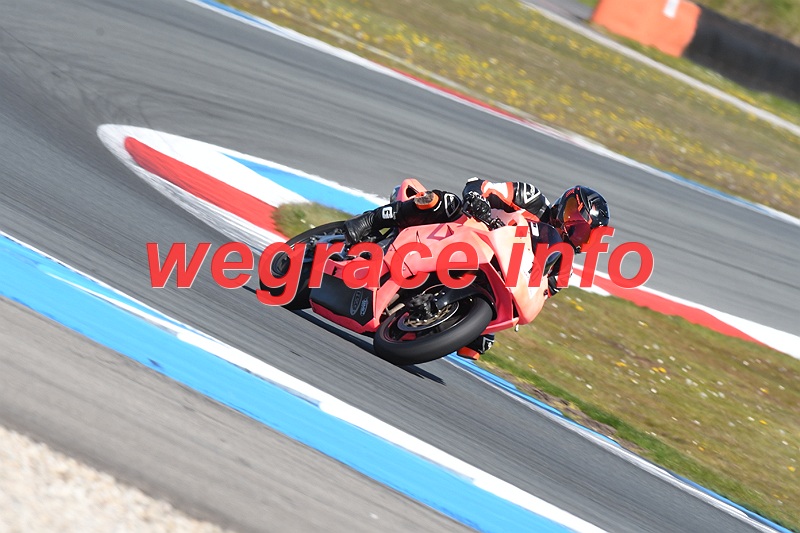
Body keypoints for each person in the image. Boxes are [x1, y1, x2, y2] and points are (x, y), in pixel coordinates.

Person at [343, 177, 610, 360]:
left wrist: (487, 326)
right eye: (573, 218)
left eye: (583, 234)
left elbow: (532, 294)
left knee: (475, 345)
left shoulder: (561, 267)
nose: (571, 229)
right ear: (565, 204)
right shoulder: (533, 200)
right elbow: (482, 185)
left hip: (492, 276)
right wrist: (477, 198)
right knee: (441, 201)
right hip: (467, 230)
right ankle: (370, 221)